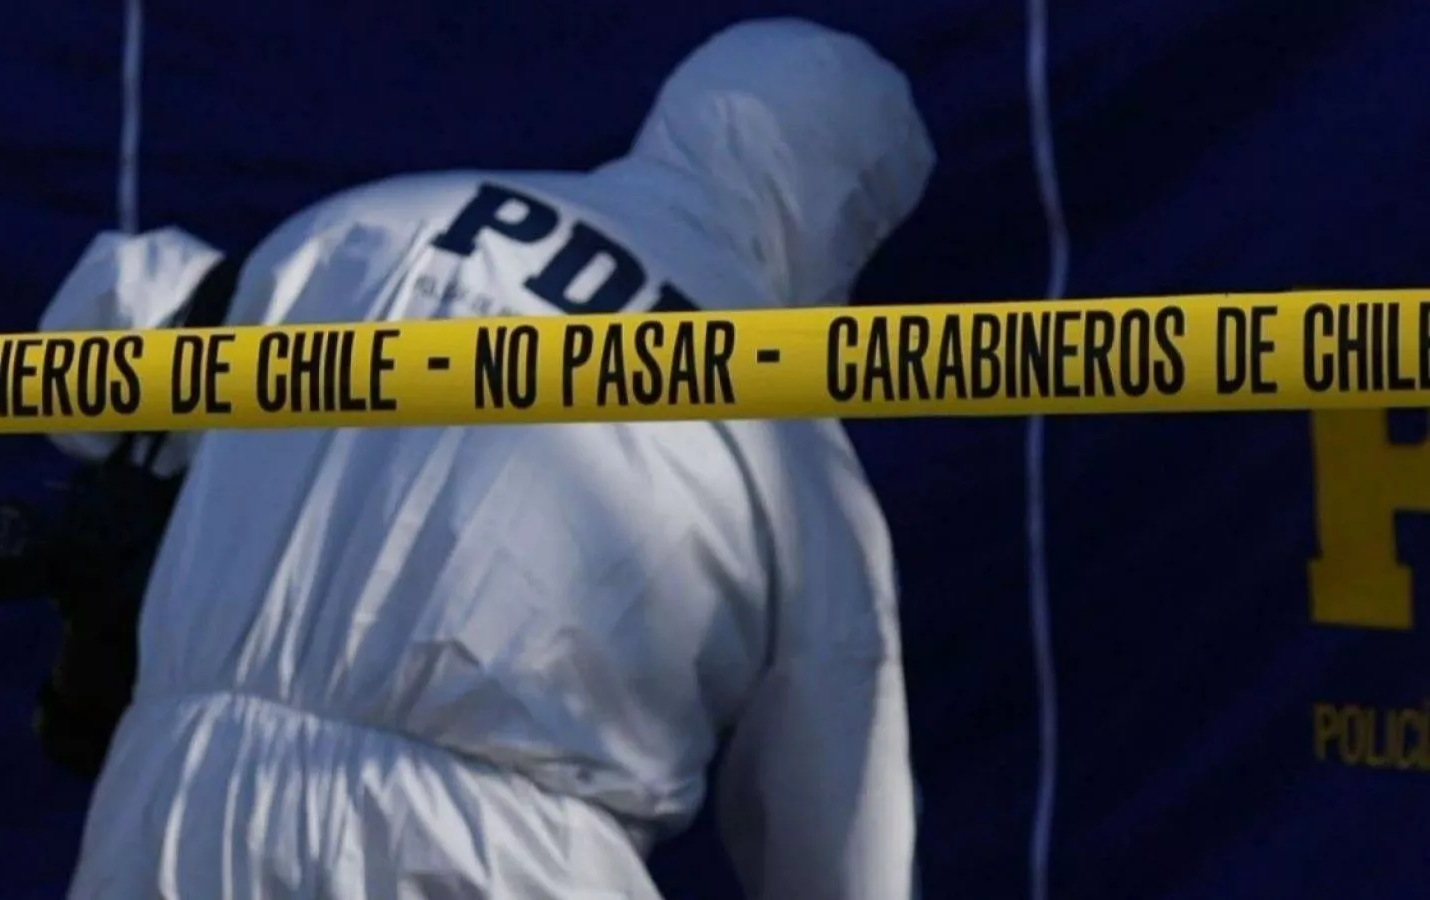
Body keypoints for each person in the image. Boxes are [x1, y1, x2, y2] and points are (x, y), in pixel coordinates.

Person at [57, 17, 936, 900]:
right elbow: (841, 838)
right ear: (840, 217)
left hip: (176, 811)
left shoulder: (360, 225)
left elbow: (100, 365)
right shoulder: (796, 445)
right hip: (488, 859)